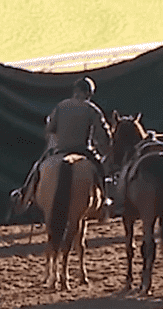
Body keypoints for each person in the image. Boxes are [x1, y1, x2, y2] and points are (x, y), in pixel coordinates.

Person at [13, 76, 110, 211]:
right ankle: (104, 199)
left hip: (60, 149)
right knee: (99, 169)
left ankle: (24, 196)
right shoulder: (92, 109)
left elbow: (49, 129)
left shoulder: (61, 106)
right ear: (89, 93)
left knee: (37, 167)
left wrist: (55, 144)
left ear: (75, 90)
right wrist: (104, 147)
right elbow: (101, 134)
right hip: (82, 150)